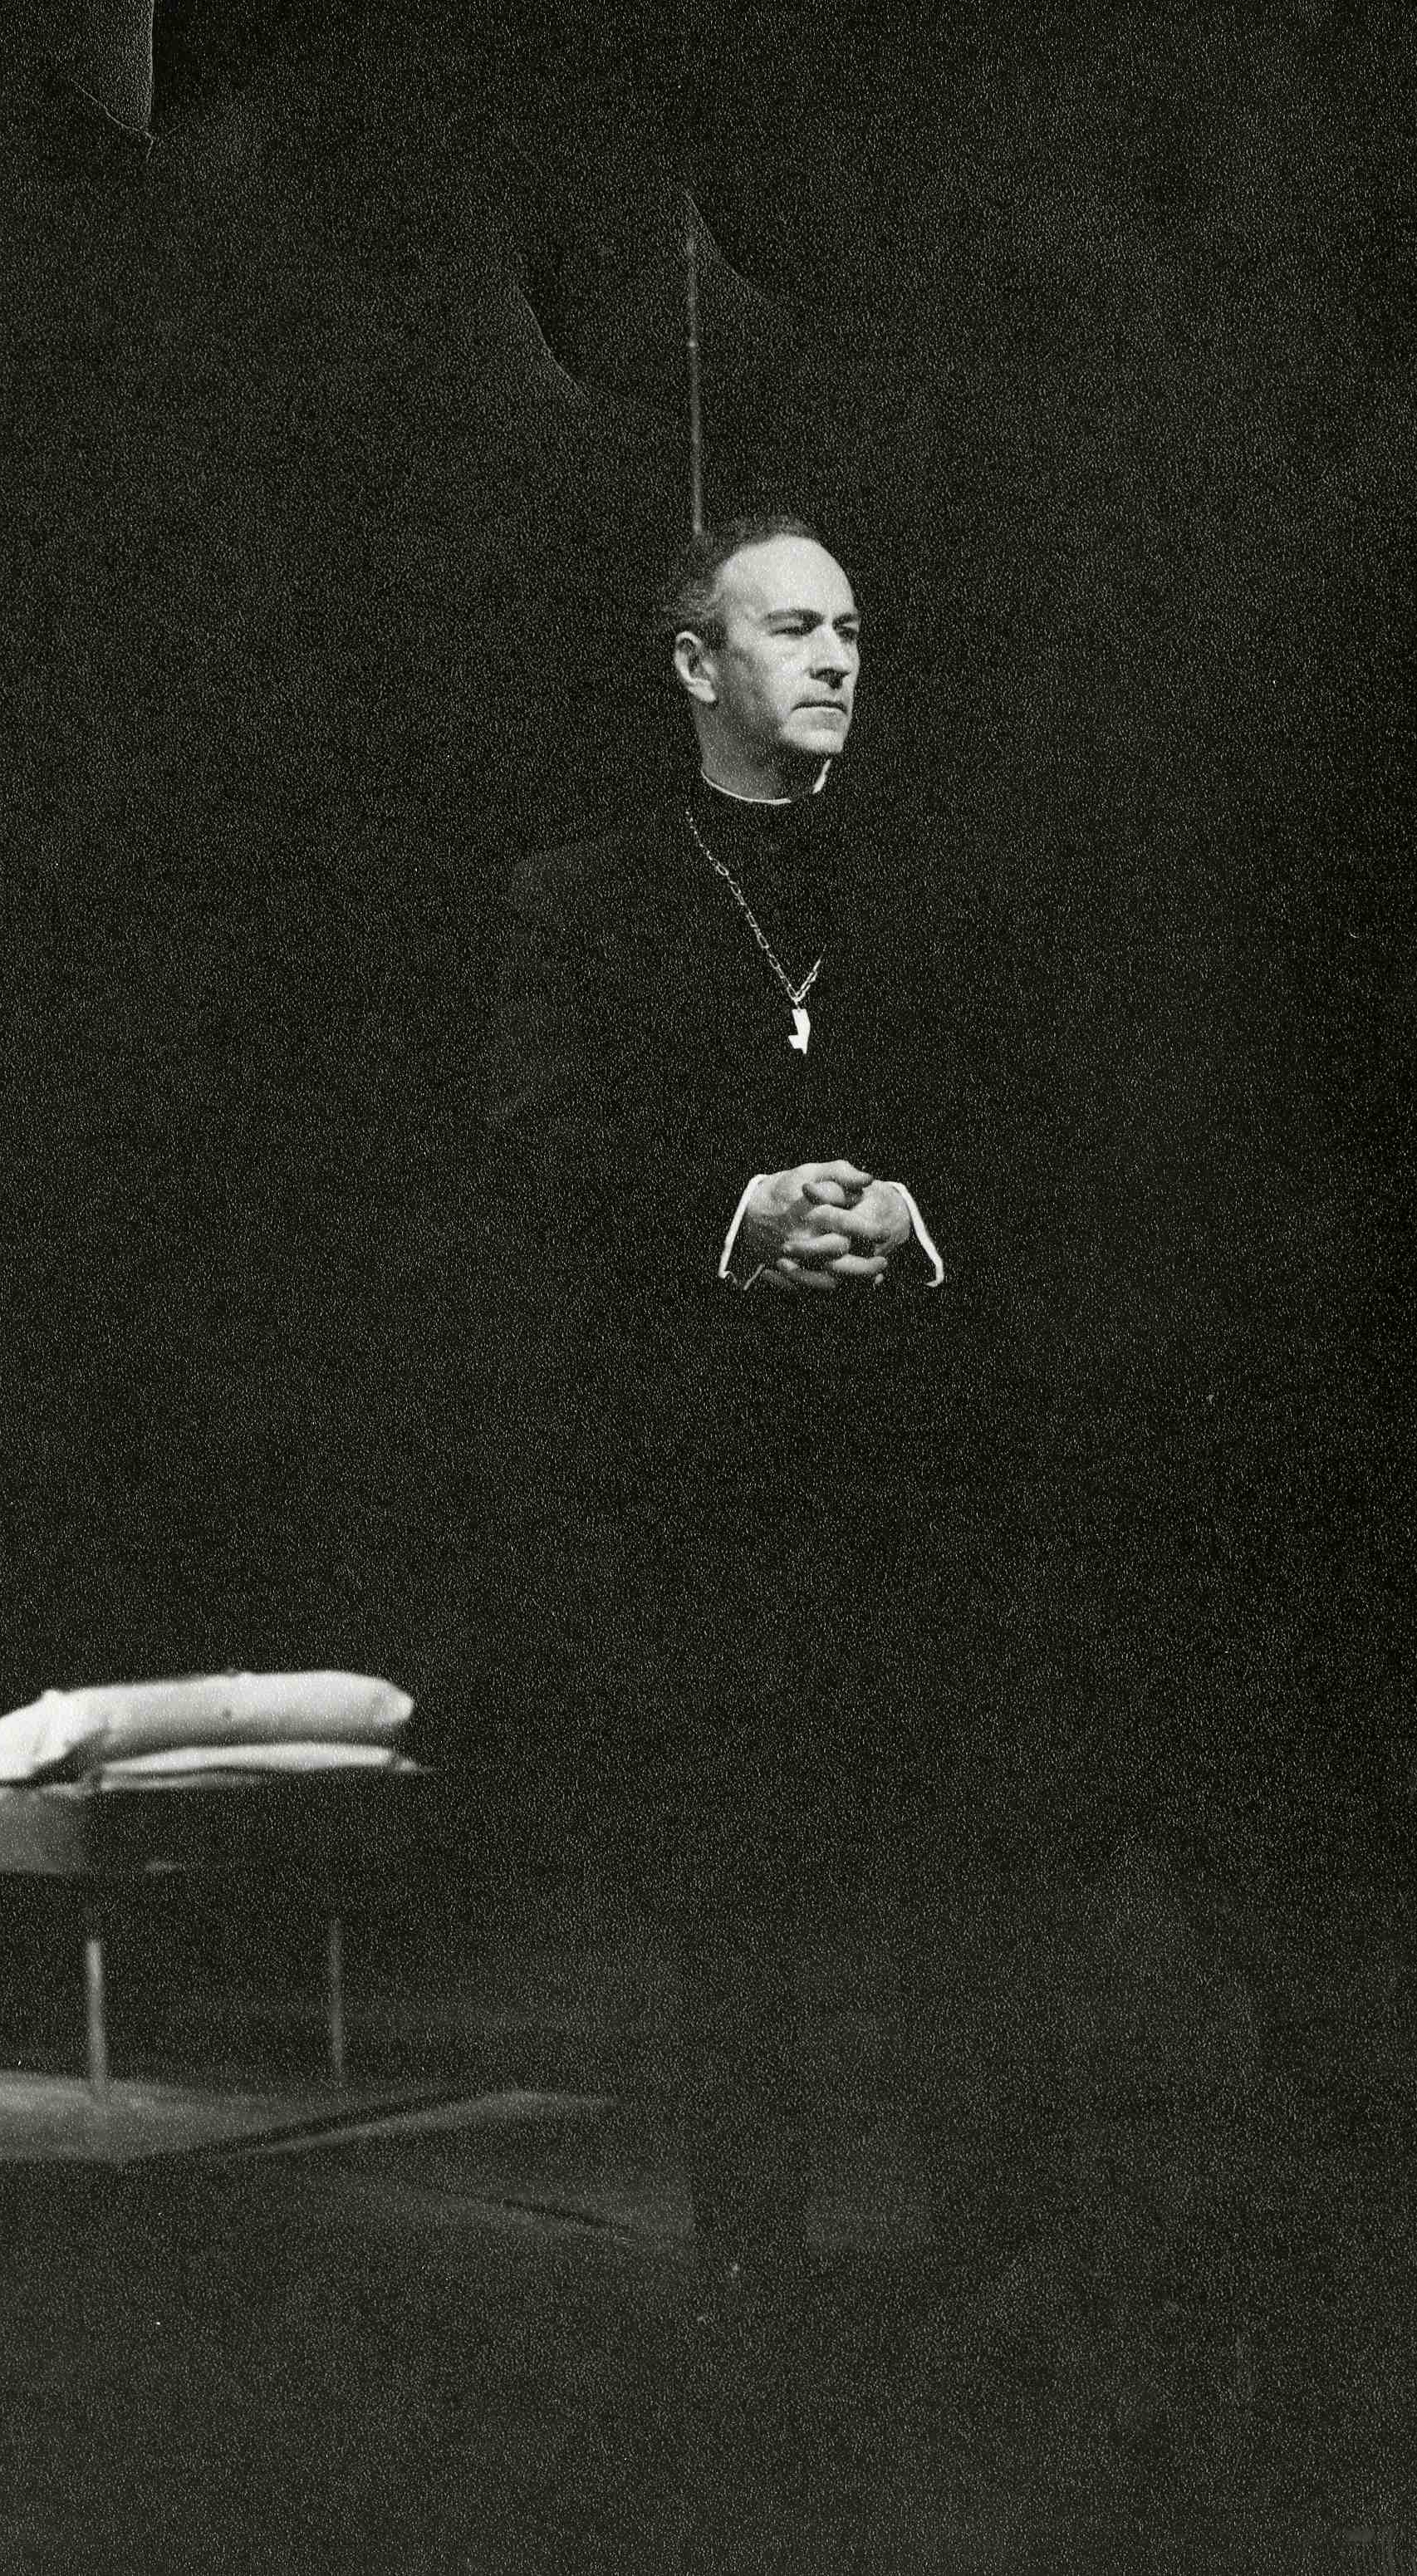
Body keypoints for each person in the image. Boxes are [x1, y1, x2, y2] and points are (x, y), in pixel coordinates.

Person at [480, 513, 1018, 2422]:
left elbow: (1028, 1124)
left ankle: (982, 2270)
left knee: (949, 1880)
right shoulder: (585, 899)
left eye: (852, 628)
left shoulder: (929, 885)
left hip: (908, 1476)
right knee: (738, 1896)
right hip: (703, 1488)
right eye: (792, 628)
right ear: (696, 664)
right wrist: (735, 1215)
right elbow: (541, 1152)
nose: (838, 658)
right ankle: (750, 2280)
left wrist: (911, 1212)